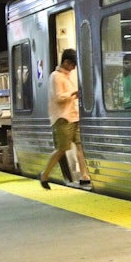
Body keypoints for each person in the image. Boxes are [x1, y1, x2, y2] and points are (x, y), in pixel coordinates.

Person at [40, 48, 90, 190]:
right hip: (62, 119)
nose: (74, 68)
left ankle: (84, 176)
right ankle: (44, 174)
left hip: (74, 116)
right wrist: (73, 93)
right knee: (62, 149)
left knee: (80, 146)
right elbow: (59, 97)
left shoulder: (69, 76)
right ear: (66, 62)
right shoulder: (56, 76)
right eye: (73, 65)